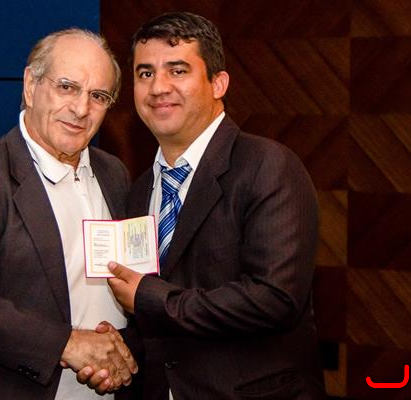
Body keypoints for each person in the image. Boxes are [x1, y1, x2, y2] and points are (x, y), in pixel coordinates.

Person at [82, 11, 326, 399]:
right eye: (145, 73)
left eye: (177, 71)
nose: (158, 87)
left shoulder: (267, 165)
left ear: (218, 83)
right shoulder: (140, 190)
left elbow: (274, 300)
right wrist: (116, 351)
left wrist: (150, 297)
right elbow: (155, 320)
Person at [0, 28, 137, 400]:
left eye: (98, 96)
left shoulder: (114, 173)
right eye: (67, 87)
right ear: (30, 85)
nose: (81, 109)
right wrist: (67, 344)